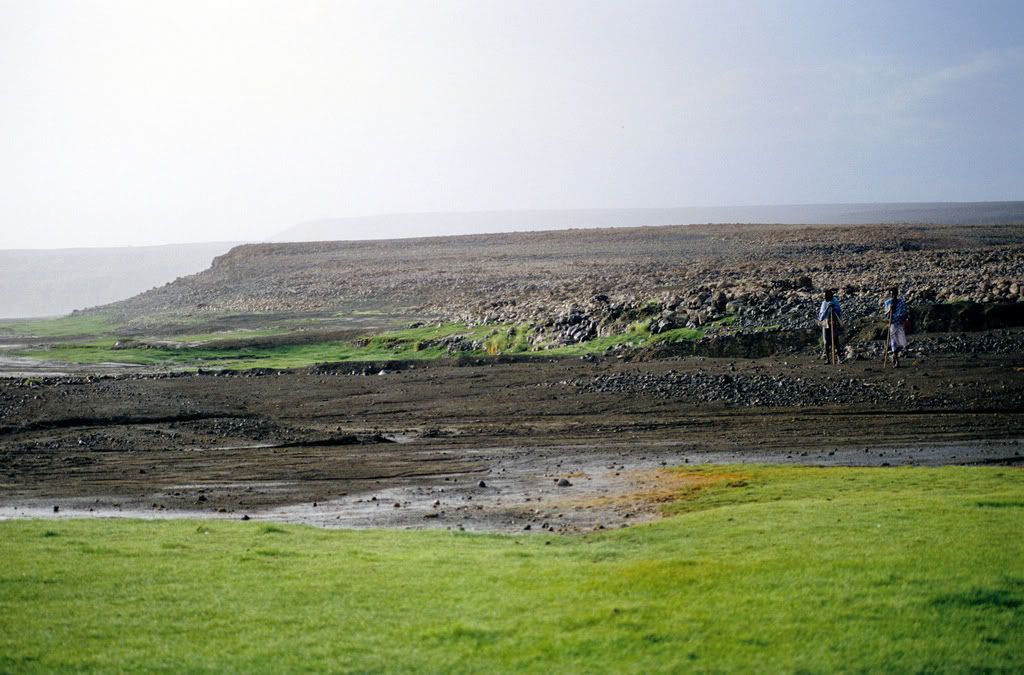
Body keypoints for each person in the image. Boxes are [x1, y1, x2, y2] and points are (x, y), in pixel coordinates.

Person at [883, 286, 909, 367]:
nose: (893, 295)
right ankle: (896, 358)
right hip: (893, 324)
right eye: (891, 294)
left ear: (897, 294)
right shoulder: (887, 303)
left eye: (894, 294)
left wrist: (895, 316)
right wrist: (889, 311)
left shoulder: (902, 303)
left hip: (900, 324)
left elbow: (904, 314)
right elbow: (886, 316)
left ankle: (894, 355)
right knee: (894, 341)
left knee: (902, 343)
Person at [817, 289, 842, 362]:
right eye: (824, 296)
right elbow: (821, 317)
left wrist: (834, 308)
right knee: (826, 341)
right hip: (825, 322)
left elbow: (838, 311)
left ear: (830, 296)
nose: (824, 298)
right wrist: (827, 308)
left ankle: (839, 358)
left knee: (836, 339)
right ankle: (828, 359)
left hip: (833, 321)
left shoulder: (835, 301)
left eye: (826, 296)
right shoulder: (824, 303)